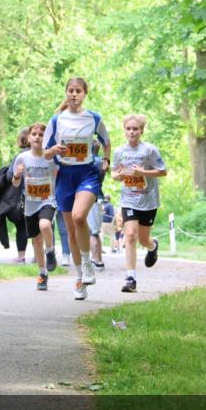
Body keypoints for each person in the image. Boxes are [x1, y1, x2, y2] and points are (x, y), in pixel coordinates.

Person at [43, 77, 111, 300]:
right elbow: (45, 152)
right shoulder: (56, 120)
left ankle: (89, 266)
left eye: (78, 91)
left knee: (79, 216)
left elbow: (107, 141)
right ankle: (80, 277)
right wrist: (55, 149)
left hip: (87, 173)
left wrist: (106, 160)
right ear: (66, 93)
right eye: (70, 90)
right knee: (71, 231)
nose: (74, 94)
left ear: (84, 94)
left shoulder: (94, 118)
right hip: (65, 175)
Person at [111, 114, 167, 293]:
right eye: (128, 128)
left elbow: (163, 171)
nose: (132, 132)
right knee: (130, 235)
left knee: (143, 239)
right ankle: (130, 278)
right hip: (129, 199)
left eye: (135, 129)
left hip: (148, 200)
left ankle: (152, 246)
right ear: (124, 130)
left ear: (141, 131)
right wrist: (117, 176)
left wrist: (143, 172)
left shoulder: (150, 150)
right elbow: (113, 173)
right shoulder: (120, 152)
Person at [10, 122, 59, 290]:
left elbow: (60, 175)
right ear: (29, 138)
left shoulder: (52, 158)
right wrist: (16, 176)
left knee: (44, 225)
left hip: (48, 200)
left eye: (41, 134)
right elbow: (16, 184)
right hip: (30, 204)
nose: (38, 137)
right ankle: (42, 273)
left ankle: (51, 251)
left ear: (46, 139)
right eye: (34, 134)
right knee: (36, 241)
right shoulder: (22, 158)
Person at [7, 127, 31, 263]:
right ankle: (38, 256)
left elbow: (10, 174)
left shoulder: (20, 156)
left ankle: (21, 256)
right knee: (39, 226)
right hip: (42, 196)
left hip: (23, 196)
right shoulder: (40, 154)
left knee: (21, 226)